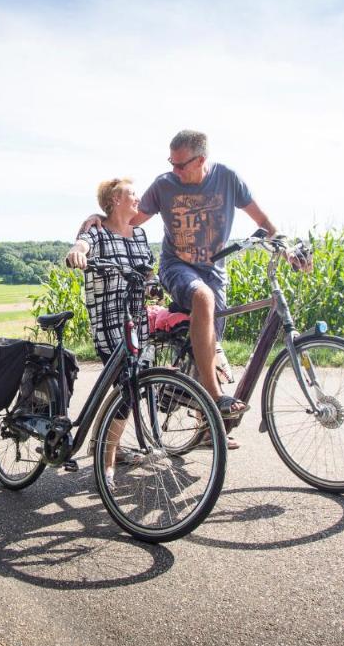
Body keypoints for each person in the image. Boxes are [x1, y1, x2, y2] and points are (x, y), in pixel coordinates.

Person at [74, 130, 301, 448]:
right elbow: (129, 219)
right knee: (202, 298)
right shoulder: (165, 184)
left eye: (181, 165)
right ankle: (214, 398)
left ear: (201, 160)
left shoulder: (227, 179)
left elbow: (264, 220)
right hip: (176, 267)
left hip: (215, 272)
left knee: (209, 345)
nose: (175, 170)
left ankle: (204, 427)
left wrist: (287, 247)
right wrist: (99, 217)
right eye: (172, 163)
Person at [65, 177, 153, 490]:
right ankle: (107, 462)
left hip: (137, 320)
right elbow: (83, 243)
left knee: (136, 386)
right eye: (132, 194)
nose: (138, 198)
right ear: (115, 200)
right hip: (110, 321)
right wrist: (78, 250)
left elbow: (148, 271)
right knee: (127, 388)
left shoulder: (140, 233)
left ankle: (102, 442)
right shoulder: (97, 230)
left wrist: (154, 285)